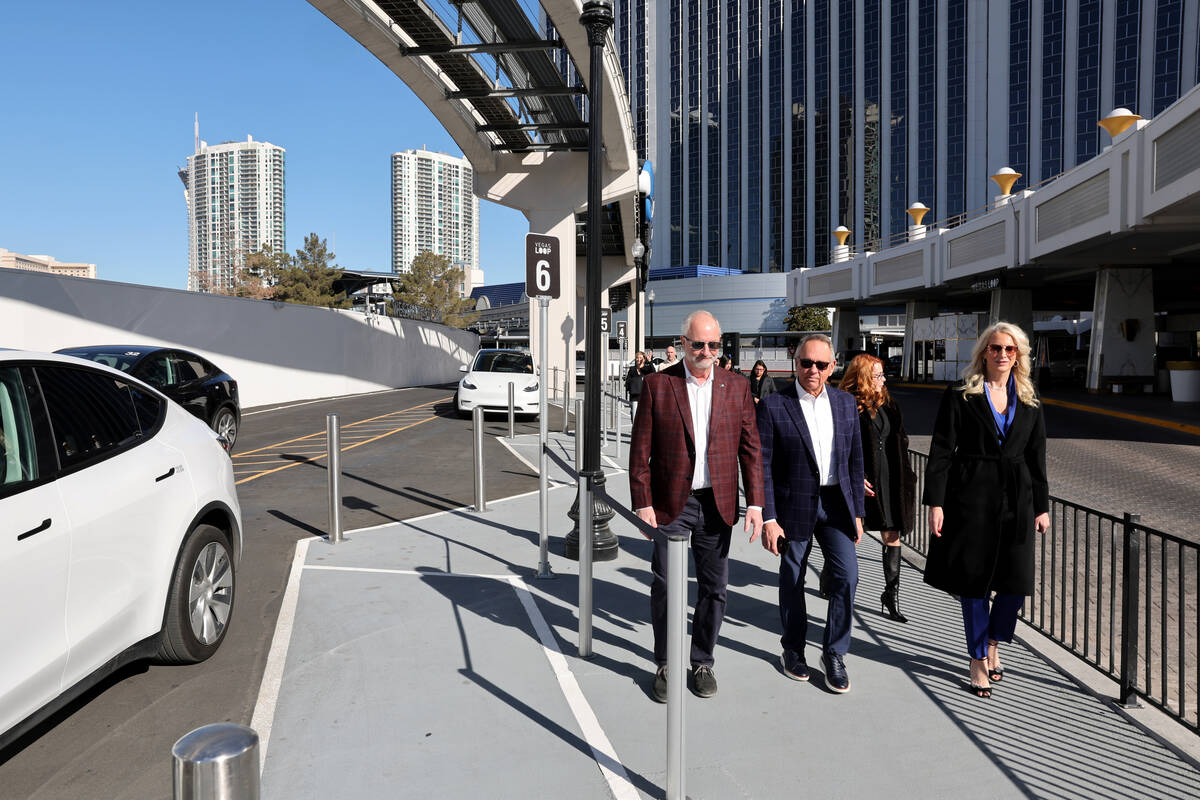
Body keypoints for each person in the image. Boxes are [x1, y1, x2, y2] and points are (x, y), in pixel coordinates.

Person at [629, 310, 764, 702]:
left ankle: (702, 661)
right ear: (683, 343)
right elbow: (641, 451)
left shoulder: (736, 387)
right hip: (673, 502)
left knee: (714, 589)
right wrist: (643, 502)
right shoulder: (658, 384)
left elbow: (751, 449)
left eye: (714, 345)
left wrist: (755, 502)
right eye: (699, 344)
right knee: (667, 585)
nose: (707, 351)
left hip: (718, 503)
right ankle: (667, 663)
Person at [923, 321, 1050, 699]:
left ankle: (994, 640)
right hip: (971, 498)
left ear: (1019, 356)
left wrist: (1041, 507)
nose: (1002, 355)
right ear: (983, 352)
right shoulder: (961, 394)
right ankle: (978, 658)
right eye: (996, 348)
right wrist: (937, 501)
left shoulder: (1029, 397)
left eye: (1010, 350)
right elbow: (942, 451)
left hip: (1018, 497)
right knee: (974, 583)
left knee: (1014, 583)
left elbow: (1037, 455)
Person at [755, 335, 865, 693]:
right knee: (792, 578)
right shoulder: (774, 405)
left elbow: (855, 461)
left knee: (847, 576)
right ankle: (793, 649)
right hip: (793, 505)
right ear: (795, 363)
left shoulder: (846, 404)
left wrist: (858, 513)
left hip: (836, 504)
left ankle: (834, 653)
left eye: (821, 364)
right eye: (807, 363)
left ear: (833, 367)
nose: (813, 371)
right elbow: (763, 467)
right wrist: (769, 517)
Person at [837, 354, 917, 623]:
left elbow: (900, 437)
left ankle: (891, 596)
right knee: (850, 533)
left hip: (890, 477)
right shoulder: (846, 403)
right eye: (877, 375)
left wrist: (907, 473)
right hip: (863, 477)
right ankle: (834, 580)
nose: (883, 380)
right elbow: (839, 446)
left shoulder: (888, 402)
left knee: (892, 534)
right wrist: (853, 476)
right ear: (862, 377)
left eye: (883, 375)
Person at [625, 350, 655, 420]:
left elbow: (654, 373)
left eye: (641, 358)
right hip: (634, 396)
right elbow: (627, 381)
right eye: (637, 358)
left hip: (645, 396)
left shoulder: (647, 369)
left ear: (644, 359)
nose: (638, 359)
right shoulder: (632, 369)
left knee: (645, 415)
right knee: (634, 415)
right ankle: (635, 429)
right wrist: (633, 384)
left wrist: (650, 361)